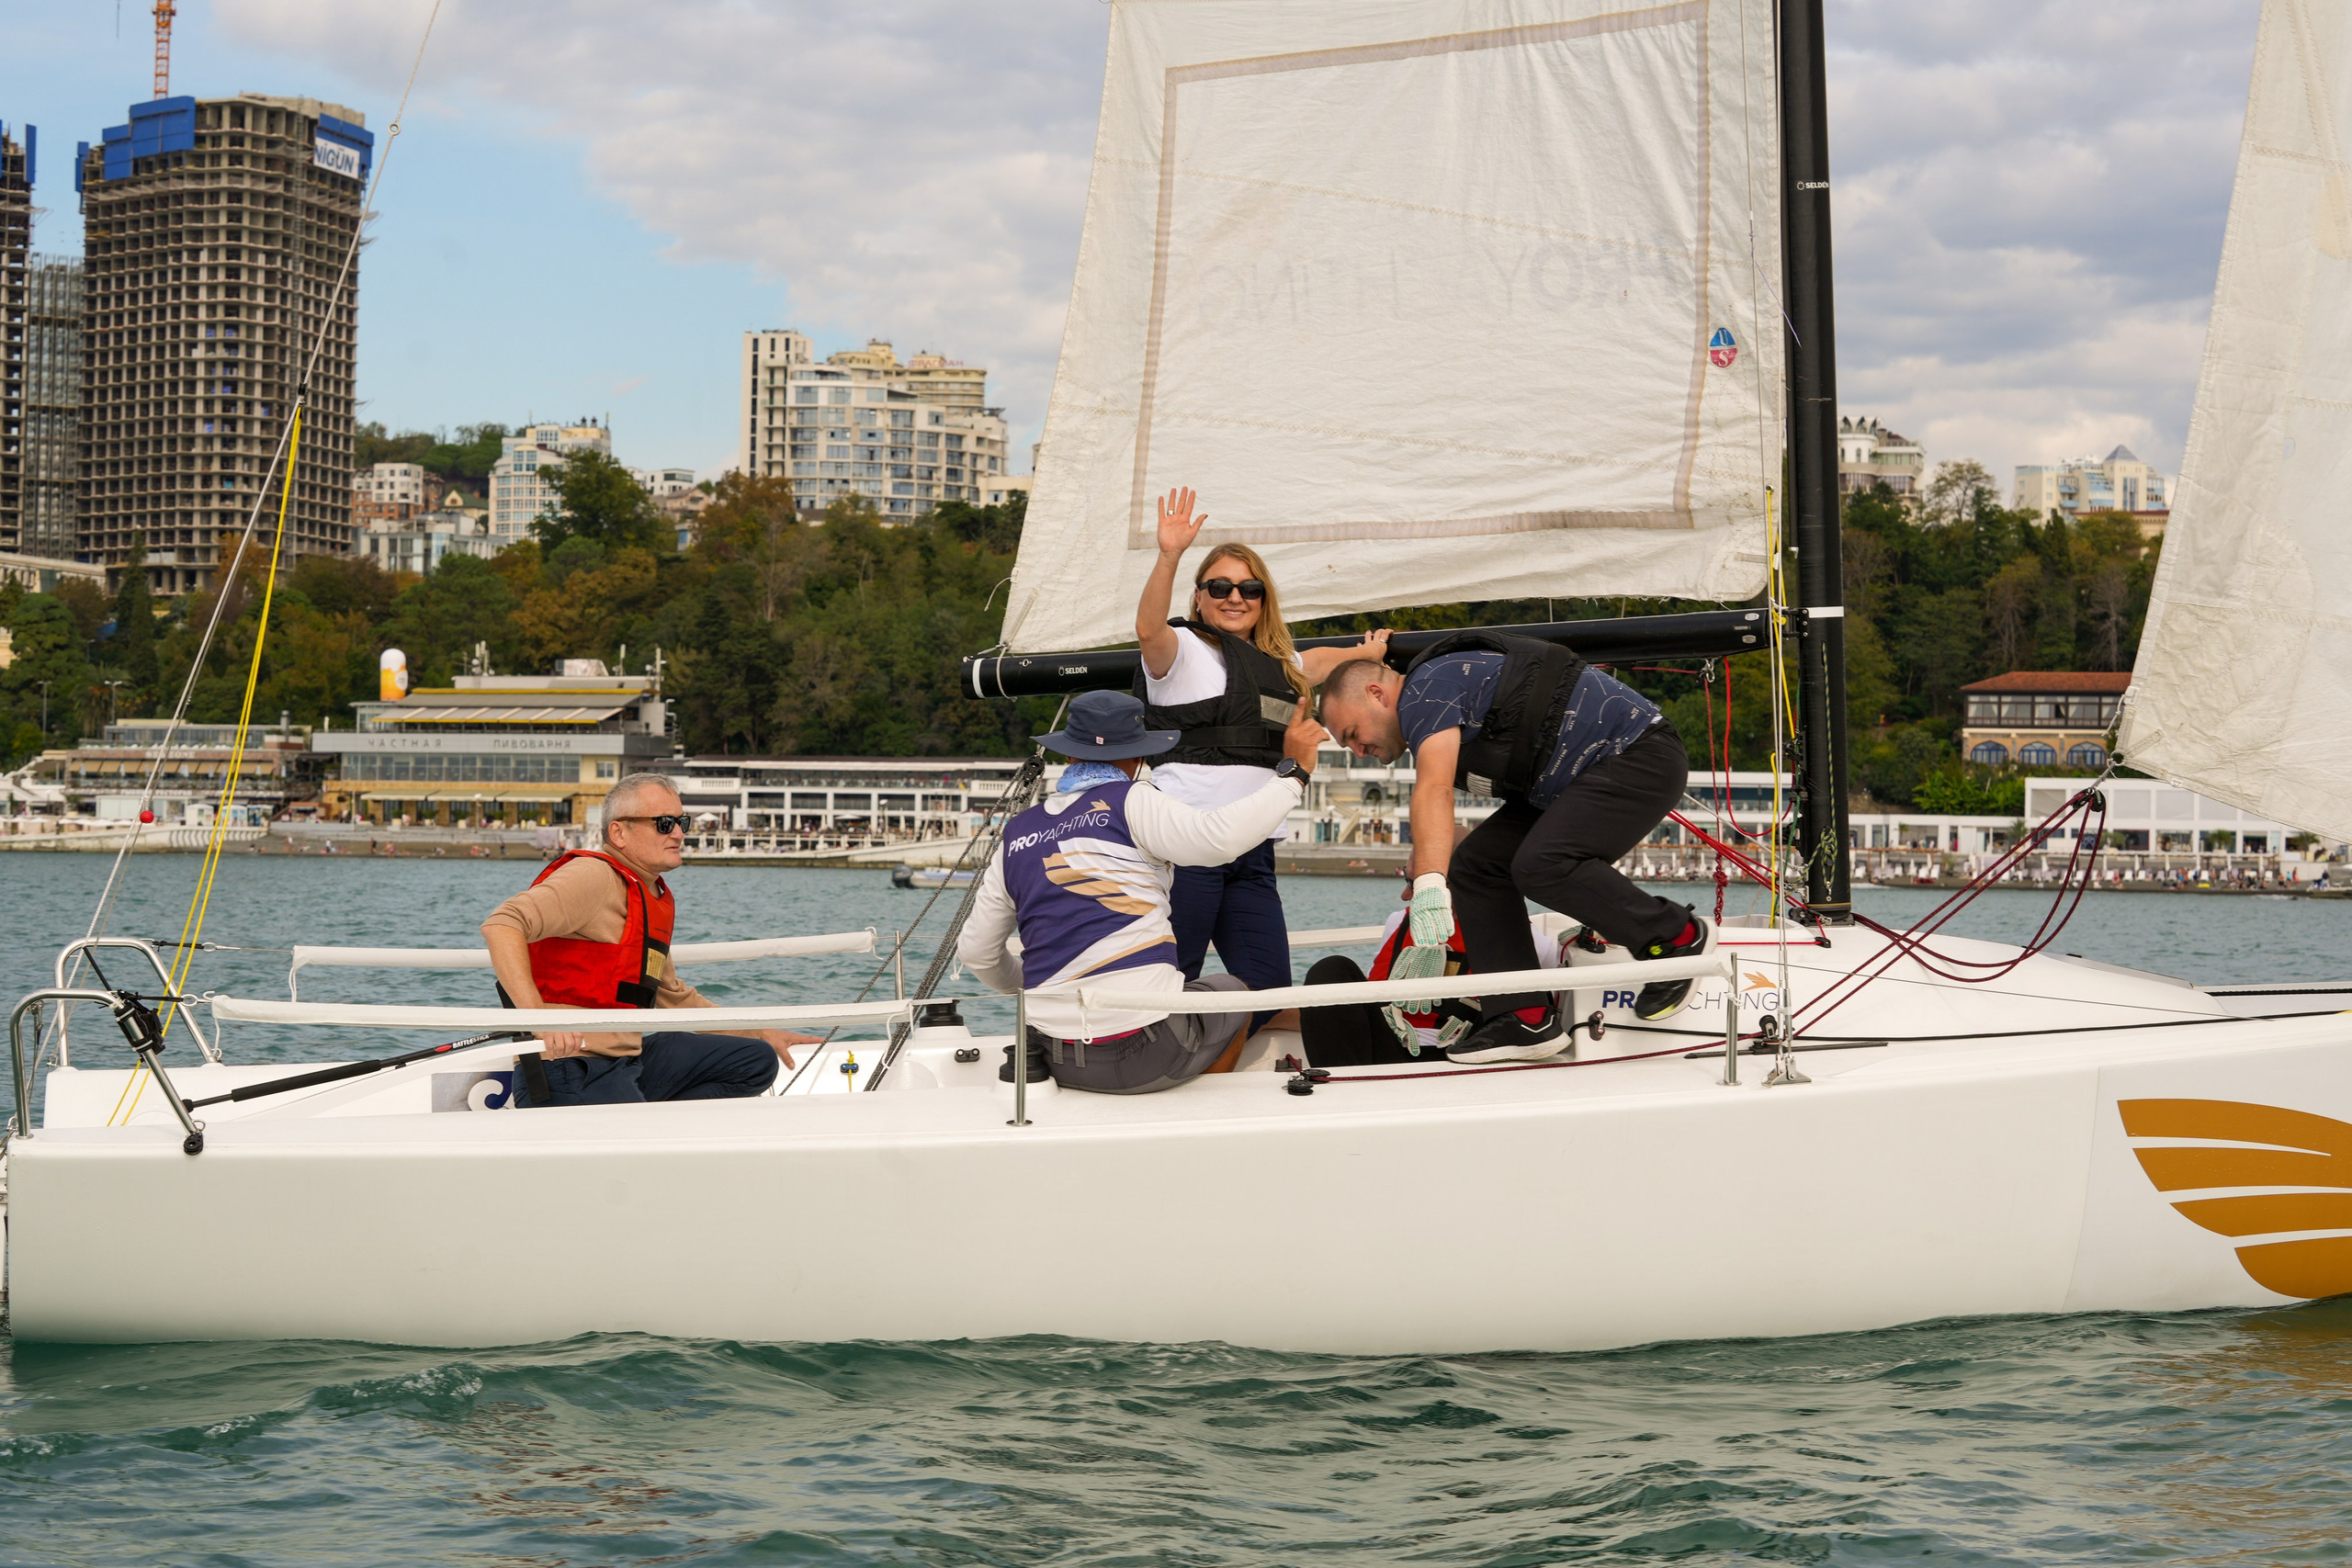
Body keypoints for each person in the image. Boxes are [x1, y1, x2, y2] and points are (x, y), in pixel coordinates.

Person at [1317, 633, 1713, 1063]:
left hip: (1637, 754)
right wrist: (1440, 867)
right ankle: (1524, 1016)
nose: (1358, 750)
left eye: (1353, 734)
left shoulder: (1425, 690)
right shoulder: (1434, 706)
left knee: (1542, 863)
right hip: (1574, 784)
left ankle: (1676, 935)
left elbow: (1433, 788)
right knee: (1475, 867)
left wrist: (1430, 884)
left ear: (1377, 693)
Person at [957, 688, 1327, 1094]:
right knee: (1234, 993)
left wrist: (1039, 989)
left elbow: (977, 952)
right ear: (1138, 759)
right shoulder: (1133, 800)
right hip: (1146, 1053)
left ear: (1068, 756)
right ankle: (1200, 1105)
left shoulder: (1017, 834)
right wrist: (1294, 774)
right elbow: (1219, 838)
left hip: (1052, 1057)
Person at [1135, 485, 1391, 1010]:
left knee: (1269, 990)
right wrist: (1169, 555)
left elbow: (1318, 663)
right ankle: (1153, 1069)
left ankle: (1215, 1066)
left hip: (1252, 852)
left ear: (1263, 598)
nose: (1235, 597)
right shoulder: (1180, 650)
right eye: (1220, 587)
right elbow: (1147, 629)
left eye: (1250, 589)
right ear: (1199, 597)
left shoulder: (1280, 663)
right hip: (1189, 847)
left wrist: (1366, 652)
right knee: (1170, 983)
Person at [482, 772, 822, 1107]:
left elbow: (673, 999)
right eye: (663, 823)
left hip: (626, 1061)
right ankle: (643, 1131)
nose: (678, 833)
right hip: (569, 1066)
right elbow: (502, 924)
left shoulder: (647, 896)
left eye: (681, 822)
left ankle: (652, 1125)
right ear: (619, 832)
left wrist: (763, 1032)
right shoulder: (593, 876)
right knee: (642, 1138)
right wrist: (539, 1019)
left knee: (755, 1061)